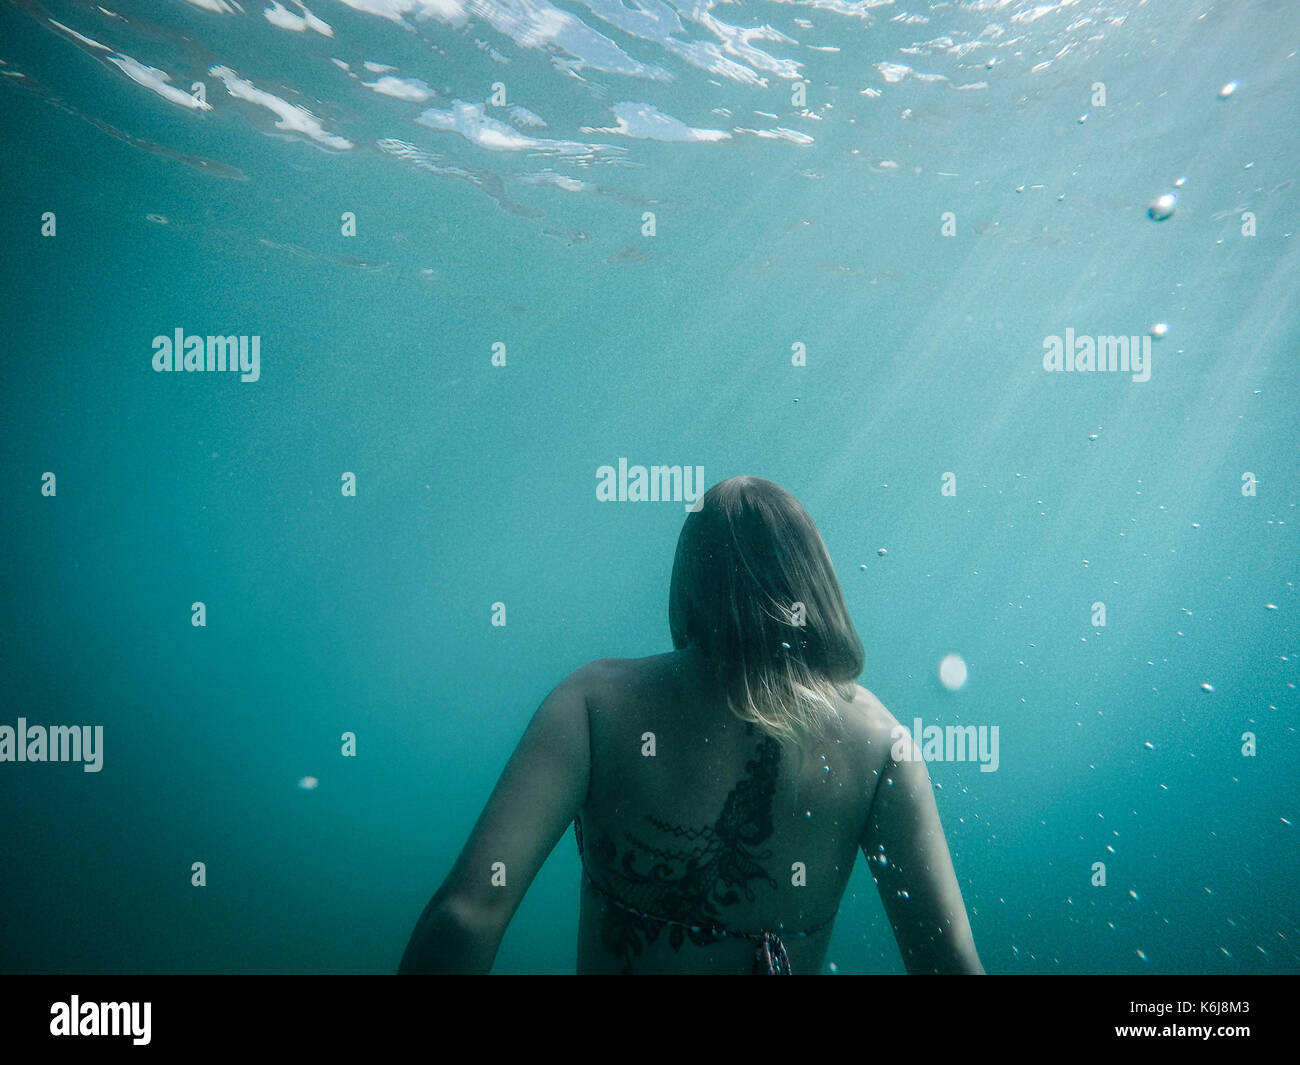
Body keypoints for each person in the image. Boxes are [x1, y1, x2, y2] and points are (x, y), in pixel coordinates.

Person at [399, 476, 984, 975]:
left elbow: (468, 913)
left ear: (689, 578)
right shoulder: (881, 743)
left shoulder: (593, 703)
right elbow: (948, 963)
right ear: (815, 581)